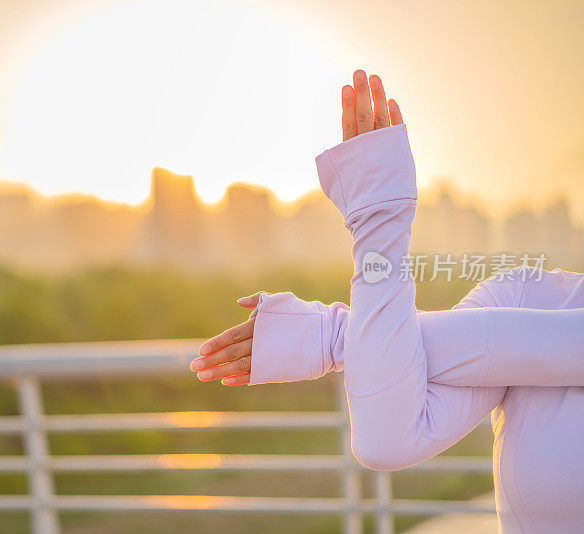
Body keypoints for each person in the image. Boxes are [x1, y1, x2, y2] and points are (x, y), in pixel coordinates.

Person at [188, 70, 584, 532]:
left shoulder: (530, 308)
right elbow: (387, 439)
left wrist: (337, 336)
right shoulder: (528, 295)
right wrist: (380, 226)